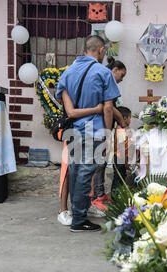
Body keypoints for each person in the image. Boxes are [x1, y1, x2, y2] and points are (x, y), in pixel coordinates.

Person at [56, 35, 120, 232]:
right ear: (101, 50)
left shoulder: (68, 72)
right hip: (94, 130)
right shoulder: (103, 72)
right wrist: (108, 135)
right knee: (85, 172)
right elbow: (108, 108)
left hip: (75, 129)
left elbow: (66, 105)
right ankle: (79, 220)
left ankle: (77, 213)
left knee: (76, 170)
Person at [57, 99, 103, 226]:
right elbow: (70, 112)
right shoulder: (73, 89)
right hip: (73, 132)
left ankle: (86, 206)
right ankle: (63, 210)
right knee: (67, 171)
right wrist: (97, 109)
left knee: (88, 171)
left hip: (89, 132)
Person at [90, 57, 127, 210]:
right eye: (122, 75)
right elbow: (108, 108)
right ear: (115, 70)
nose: (122, 79)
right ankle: (95, 197)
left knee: (103, 162)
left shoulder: (106, 83)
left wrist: (119, 120)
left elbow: (112, 108)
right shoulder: (105, 81)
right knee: (98, 164)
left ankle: (100, 193)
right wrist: (109, 131)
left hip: (104, 129)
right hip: (99, 129)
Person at [111, 106, 132, 193]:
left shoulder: (121, 129)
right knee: (118, 177)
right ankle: (115, 196)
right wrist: (126, 162)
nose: (130, 120)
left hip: (120, 157)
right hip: (120, 158)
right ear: (124, 118)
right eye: (129, 118)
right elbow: (122, 147)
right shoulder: (121, 131)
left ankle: (119, 194)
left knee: (121, 176)